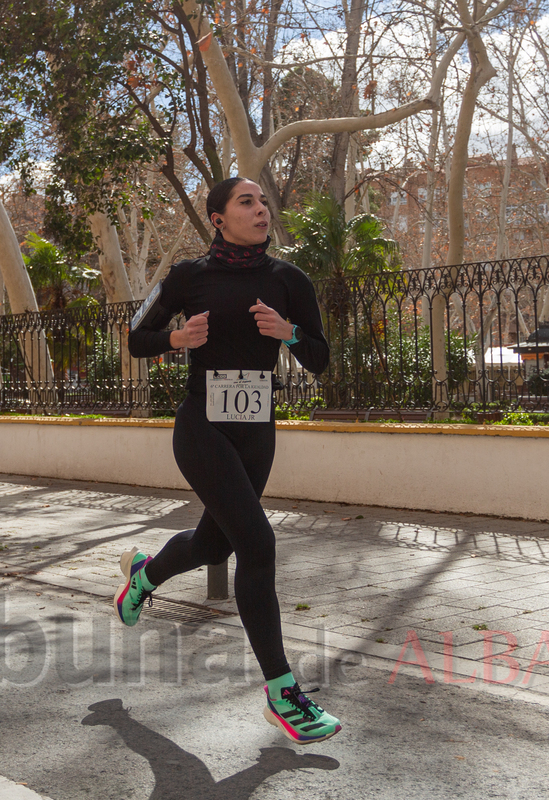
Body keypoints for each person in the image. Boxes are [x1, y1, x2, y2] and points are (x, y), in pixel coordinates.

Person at [121, 177, 340, 744]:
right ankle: (282, 693)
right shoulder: (188, 277)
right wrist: (178, 340)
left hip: (256, 431)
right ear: (218, 218)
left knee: (213, 544)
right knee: (258, 542)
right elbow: (134, 338)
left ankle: (144, 576)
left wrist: (289, 334)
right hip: (203, 426)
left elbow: (320, 359)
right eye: (247, 201)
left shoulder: (290, 281)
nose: (261, 209)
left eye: (263, 201)